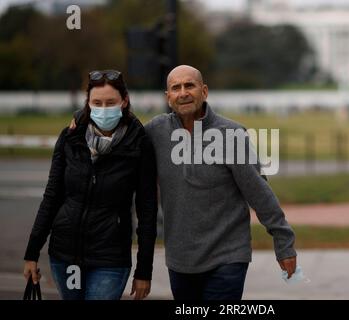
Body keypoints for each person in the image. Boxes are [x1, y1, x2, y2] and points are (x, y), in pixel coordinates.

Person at [145, 65, 297, 300]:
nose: (183, 92)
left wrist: (283, 241)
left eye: (190, 85)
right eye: (176, 88)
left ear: (204, 91)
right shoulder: (156, 131)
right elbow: (121, 141)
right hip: (180, 260)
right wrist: (79, 123)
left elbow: (258, 192)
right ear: (168, 97)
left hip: (228, 256)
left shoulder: (231, 134)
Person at [23, 70, 158, 300]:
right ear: (88, 103)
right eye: (97, 102)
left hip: (110, 258)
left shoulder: (139, 144)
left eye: (110, 102)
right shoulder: (70, 137)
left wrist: (144, 271)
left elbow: (148, 210)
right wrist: (32, 252)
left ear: (124, 101)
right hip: (64, 255)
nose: (103, 108)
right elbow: (52, 196)